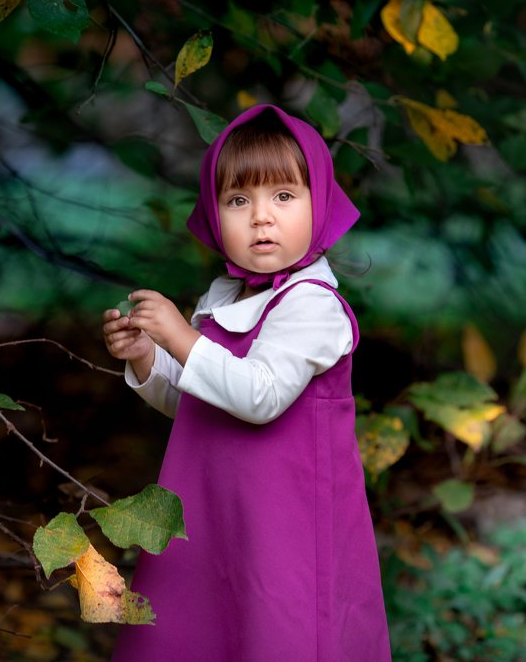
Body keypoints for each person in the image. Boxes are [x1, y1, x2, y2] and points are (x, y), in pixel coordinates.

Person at [101, 104, 392, 661]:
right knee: (204, 627)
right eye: (239, 200)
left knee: (280, 630)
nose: (262, 217)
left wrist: (179, 337)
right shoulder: (223, 299)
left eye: (284, 196)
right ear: (214, 217)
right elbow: (196, 403)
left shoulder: (312, 304)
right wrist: (146, 357)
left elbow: (258, 396)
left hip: (288, 525)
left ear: (319, 203)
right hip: (215, 510)